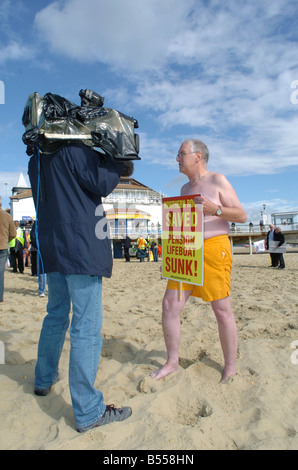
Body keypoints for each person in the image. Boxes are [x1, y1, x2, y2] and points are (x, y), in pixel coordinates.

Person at [28, 143, 133, 432]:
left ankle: (43, 379)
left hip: (53, 245)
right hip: (80, 246)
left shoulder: (37, 158)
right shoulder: (73, 150)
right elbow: (101, 183)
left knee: (56, 315)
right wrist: (115, 157)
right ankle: (88, 411)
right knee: (85, 326)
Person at [150, 139, 247, 383]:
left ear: (198, 156)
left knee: (221, 309)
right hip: (187, 250)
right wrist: (171, 256)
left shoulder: (218, 180)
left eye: (181, 153)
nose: (177, 158)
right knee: (169, 306)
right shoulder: (184, 190)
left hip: (214, 248)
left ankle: (230, 368)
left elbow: (242, 215)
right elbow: (183, 226)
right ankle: (172, 362)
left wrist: (216, 209)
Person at [0, 197, 16, 302]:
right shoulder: (7, 216)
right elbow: (13, 234)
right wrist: (6, 240)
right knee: (0, 273)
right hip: (3, 246)